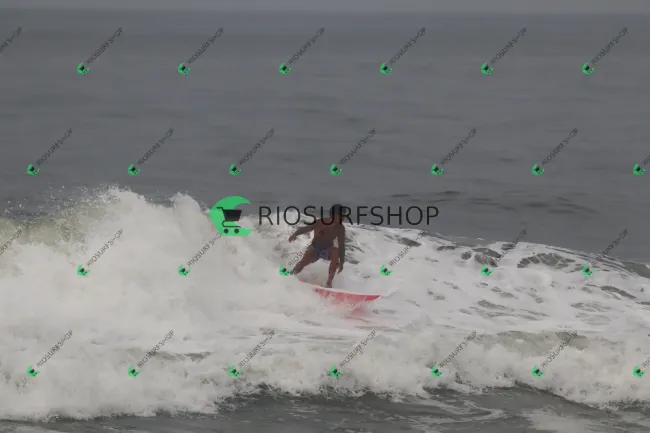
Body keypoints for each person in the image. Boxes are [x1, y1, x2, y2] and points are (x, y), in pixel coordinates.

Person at [288, 204, 346, 288]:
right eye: (342, 215)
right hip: (315, 249)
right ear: (334, 215)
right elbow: (307, 228)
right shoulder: (321, 222)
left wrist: (342, 262)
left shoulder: (341, 228)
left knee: (335, 250)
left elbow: (342, 245)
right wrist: (295, 234)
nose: (343, 217)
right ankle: (290, 275)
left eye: (344, 215)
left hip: (327, 251)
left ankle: (328, 283)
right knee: (302, 263)